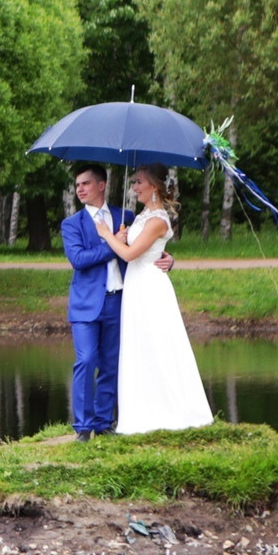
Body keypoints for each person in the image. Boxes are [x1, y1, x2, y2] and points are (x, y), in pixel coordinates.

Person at [102, 165, 216, 434]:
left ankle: (173, 411)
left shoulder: (157, 220)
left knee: (159, 344)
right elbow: (136, 247)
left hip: (150, 287)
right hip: (137, 286)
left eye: (139, 182)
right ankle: (144, 410)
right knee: (141, 344)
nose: (135, 187)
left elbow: (130, 255)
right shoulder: (144, 214)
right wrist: (122, 235)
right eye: (134, 182)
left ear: (154, 185)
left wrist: (106, 236)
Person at [58, 163, 126, 439]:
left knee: (110, 363)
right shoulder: (72, 224)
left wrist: (169, 260)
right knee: (86, 360)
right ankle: (83, 427)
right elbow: (78, 260)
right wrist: (111, 244)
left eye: (85, 183)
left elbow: (146, 248)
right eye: (77, 185)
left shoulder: (125, 217)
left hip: (118, 301)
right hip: (85, 305)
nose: (80, 189)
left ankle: (102, 422)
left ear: (102, 185)